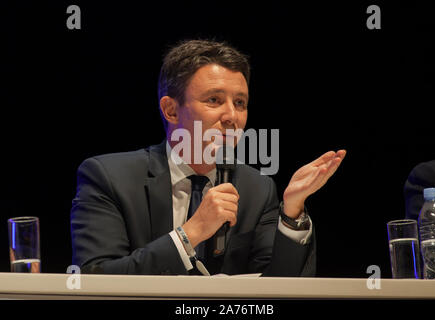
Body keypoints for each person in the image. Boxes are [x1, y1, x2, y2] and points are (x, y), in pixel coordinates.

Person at [70, 39, 346, 276]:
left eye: (240, 103)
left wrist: (292, 211)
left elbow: (277, 288)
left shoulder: (257, 188)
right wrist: (190, 233)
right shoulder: (108, 176)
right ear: (171, 110)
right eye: (214, 100)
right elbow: (95, 277)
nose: (231, 117)